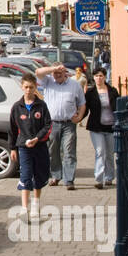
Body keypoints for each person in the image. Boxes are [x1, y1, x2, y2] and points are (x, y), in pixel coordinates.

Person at [35, 62, 86, 190]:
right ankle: (56, 176)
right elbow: (38, 72)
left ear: (65, 73)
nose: (57, 75)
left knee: (69, 150)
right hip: (52, 123)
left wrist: (79, 117)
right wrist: (53, 68)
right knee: (53, 151)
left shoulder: (74, 85)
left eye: (59, 72)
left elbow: (82, 103)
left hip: (68, 123)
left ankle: (69, 180)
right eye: (55, 73)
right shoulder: (48, 82)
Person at [9, 72, 52, 214]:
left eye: (31, 87)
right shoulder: (17, 107)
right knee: (25, 175)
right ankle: (24, 208)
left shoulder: (41, 106)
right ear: (22, 87)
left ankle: (35, 204)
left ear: (35, 88)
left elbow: (47, 125)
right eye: (26, 87)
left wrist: (37, 138)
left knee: (40, 174)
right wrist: (13, 148)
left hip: (39, 145)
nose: (28, 90)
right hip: (24, 147)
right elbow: (12, 129)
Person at [84, 67, 118, 187]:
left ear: (104, 77)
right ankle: (99, 178)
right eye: (96, 76)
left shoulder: (112, 91)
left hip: (110, 126)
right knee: (100, 151)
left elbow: (118, 107)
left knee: (109, 153)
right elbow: (85, 109)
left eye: (101, 76)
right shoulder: (90, 93)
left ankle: (109, 177)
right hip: (96, 127)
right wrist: (78, 118)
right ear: (93, 78)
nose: (99, 78)